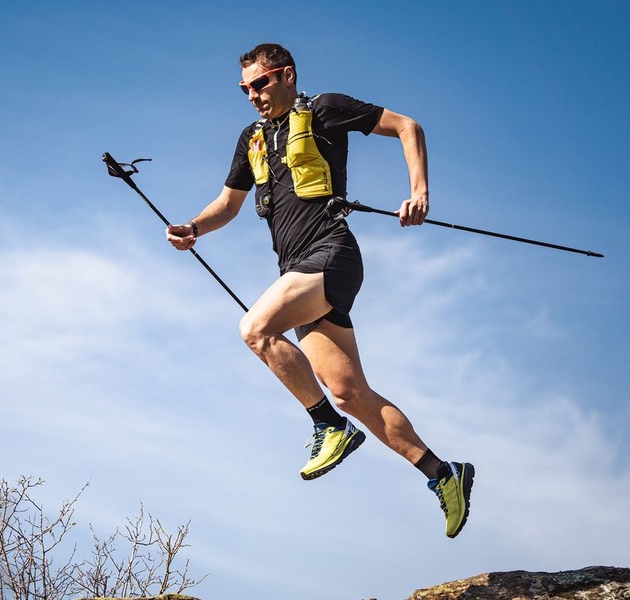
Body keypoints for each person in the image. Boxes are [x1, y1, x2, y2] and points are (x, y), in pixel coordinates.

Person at [166, 43, 474, 538]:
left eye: (260, 83)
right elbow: (228, 203)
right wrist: (194, 228)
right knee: (349, 393)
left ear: (286, 75)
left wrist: (419, 193)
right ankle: (442, 473)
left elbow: (407, 126)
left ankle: (327, 426)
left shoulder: (325, 109)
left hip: (331, 254)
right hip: (300, 271)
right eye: (244, 89)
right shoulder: (252, 139)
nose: (252, 95)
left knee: (256, 329)